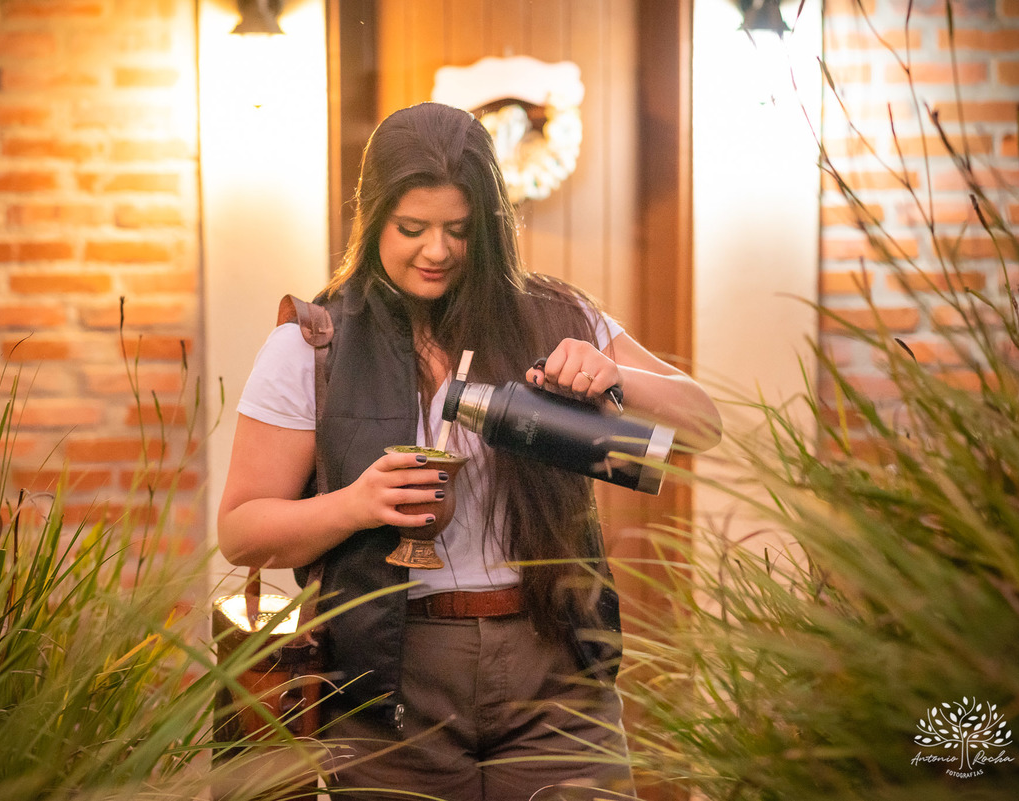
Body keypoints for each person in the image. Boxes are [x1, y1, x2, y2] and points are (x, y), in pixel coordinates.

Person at [218, 101, 721, 801]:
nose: (437, 251)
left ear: (489, 227)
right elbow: (241, 530)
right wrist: (356, 504)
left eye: (459, 230)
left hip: (554, 668)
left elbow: (703, 423)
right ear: (372, 219)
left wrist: (616, 377)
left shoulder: (556, 315)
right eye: (412, 228)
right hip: (386, 685)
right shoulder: (315, 343)